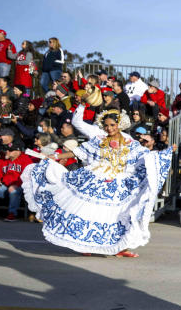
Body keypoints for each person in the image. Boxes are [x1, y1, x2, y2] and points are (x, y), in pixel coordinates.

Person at [21, 106, 172, 257]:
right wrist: (55, 157)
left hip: (118, 182)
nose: (109, 128)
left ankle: (119, 248)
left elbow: (144, 157)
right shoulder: (99, 140)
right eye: (106, 125)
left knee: (115, 215)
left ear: (119, 124)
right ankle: (84, 245)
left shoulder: (130, 141)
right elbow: (78, 152)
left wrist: (164, 154)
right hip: (95, 179)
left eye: (112, 125)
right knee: (89, 213)